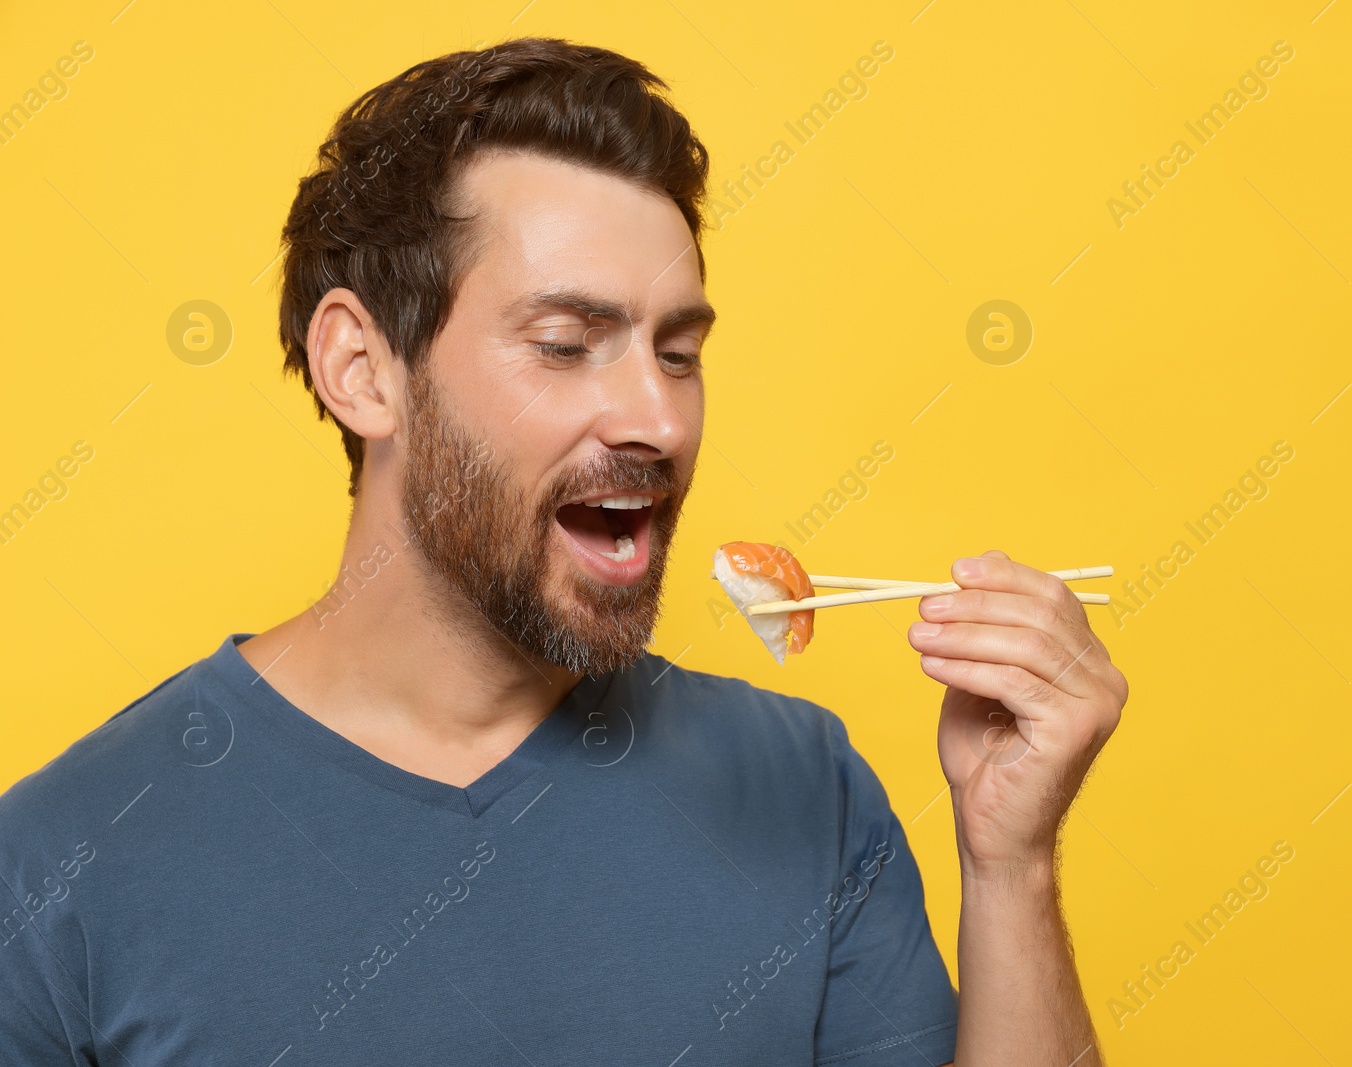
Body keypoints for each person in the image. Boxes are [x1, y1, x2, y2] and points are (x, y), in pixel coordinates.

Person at [0, 37, 1127, 1066]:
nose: (658, 417)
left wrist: (1011, 862)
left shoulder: (803, 787)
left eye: (678, 352)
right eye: (566, 342)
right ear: (363, 367)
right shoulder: (59, 862)